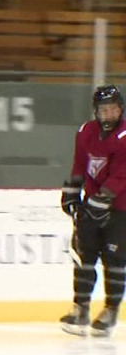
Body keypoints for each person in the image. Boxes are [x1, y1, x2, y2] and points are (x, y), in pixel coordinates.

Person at [60, 84, 126, 337]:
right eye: (103, 110)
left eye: (113, 109)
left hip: (121, 209)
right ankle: (81, 307)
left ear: (120, 109)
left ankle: (110, 311)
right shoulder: (85, 131)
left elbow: (122, 175)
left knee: (115, 260)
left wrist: (102, 201)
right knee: (84, 256)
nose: (108, 114)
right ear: (96, 111)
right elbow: (80, 163)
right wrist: (72, 191)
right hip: (92, 203)